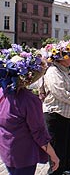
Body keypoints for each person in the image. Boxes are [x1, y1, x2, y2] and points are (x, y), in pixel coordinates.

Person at [0, 44, 59, 175]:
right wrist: (53, 155)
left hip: (7, 150)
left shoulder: (2, 93)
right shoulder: (29, 100)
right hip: (24, 154)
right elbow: (38, 132)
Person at [43, 40, 70, 175]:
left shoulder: (67, 70)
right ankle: (56, 172)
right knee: (57, 147)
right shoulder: (53, 71)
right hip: (57, 114)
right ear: (62, 58)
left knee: (69, 145)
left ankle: (66, 170)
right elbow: (59, 92)